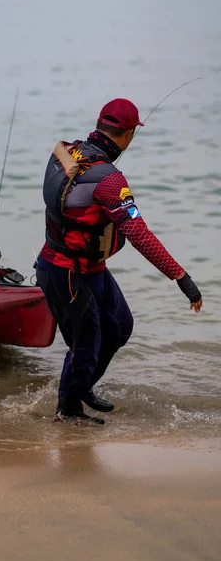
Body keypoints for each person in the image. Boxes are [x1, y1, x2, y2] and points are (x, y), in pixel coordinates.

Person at [36, 98, 202, 423]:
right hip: (68, 273)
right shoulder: (110, 180)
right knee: (86, 346)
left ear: (99, 125)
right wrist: (181, 277)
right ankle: (67, 411)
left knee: (120, 327)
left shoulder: (69, 153)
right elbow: (139, 233)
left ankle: (81, 386)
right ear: (128, 134)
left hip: (83, 267)